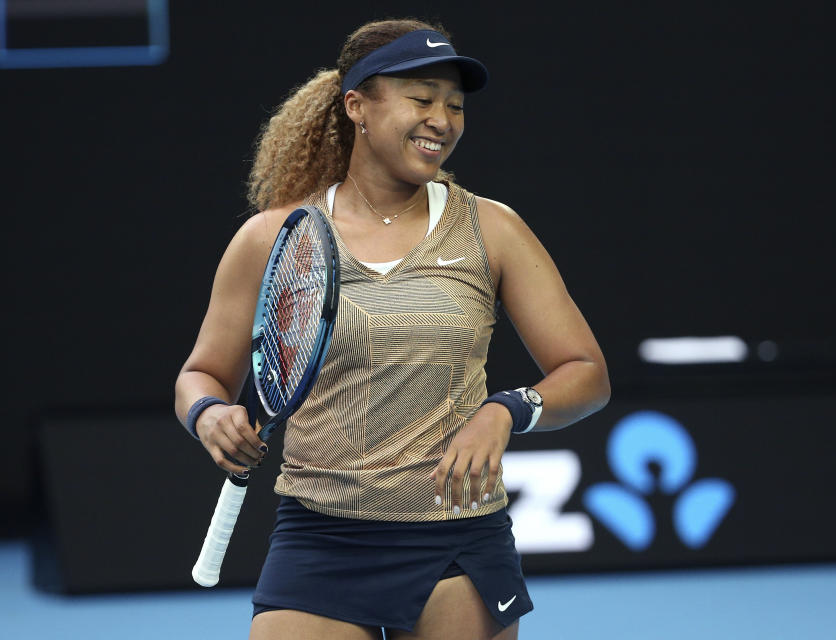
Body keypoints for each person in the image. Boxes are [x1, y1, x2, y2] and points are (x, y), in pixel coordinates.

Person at [175, 18, 609, 640]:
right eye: (422, 98)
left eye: (455, 106)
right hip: (320, 533)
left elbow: (587, 373)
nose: (443, 119)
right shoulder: (273, 237)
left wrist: (506, 411)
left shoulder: (493, 229)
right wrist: (209, 413)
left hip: (456, 537)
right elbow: (201, 375)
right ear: (357, 106)